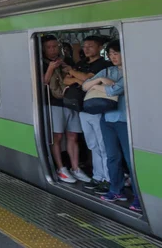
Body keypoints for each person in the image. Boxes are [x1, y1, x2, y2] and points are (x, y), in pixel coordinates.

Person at [82, 40, 141, 212]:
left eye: (117, 53)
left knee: (131, 160)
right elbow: (85, 86)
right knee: (112, 157)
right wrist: (100, 80)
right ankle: (116, 190)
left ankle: (139, 196)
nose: (113, 57)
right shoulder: (107, 71)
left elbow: (116, 90)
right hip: (107, 119)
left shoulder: (132, 71)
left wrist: (98, 87)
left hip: (126, 120)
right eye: (111, 54)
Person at [64, 36, 112, 194]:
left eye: (91, 46)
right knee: (92, 145)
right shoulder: (82, 64)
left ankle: (108, 178)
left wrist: (75, 75)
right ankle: (98, 176)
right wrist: (82, 81)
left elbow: (87, 78)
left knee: (103, 145)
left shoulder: (103, 64)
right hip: (83, 108)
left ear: (100, 48)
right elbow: (66, 80)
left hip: (97, 108)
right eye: (85, 46)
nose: (86, 49)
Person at [42, 35, 90, 184]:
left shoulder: (67, 61)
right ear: (43, 49)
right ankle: (61, 168)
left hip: (71, 103)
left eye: (55, 46)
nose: (52, 50)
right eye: (49, 47)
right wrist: (50, 68)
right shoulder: (40, 63)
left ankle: (75, 168)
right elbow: (42, 83)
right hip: (54, 104)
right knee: (57, 137)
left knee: (73, 136)